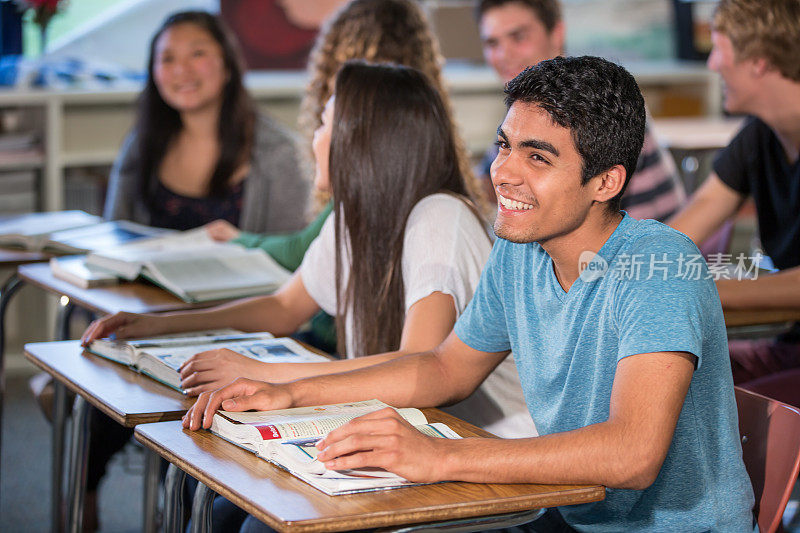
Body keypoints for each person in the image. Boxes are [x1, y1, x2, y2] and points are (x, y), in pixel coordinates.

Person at [184, 56, 755, 532]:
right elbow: (444, 368)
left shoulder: (659, 266)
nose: (503, 172)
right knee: (266, 515)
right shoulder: (520, 249)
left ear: (606, 181)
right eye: (505, 146)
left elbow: (632, 455)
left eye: (538, 157)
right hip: (574, 514)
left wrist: (440, 456)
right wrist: (294, 394)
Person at [204, 0, 489, 353]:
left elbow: (418, 369)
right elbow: (284, 307)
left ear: (360, 132)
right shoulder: (357, 214)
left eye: (326, 123)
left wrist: (274, 381)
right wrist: (154, 325)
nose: (314, 137)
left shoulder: (438, 217)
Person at [669, 0, 800, 386]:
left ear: (758, 59)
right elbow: (699, 213)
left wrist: (698, 291)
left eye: (719, 48)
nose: (712, 64)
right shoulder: (759, 136)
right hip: (789, 346)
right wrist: (618, 264)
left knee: (705, 402)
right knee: (677, 380)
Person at [475, 0, 686, 222]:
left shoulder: (596, 101)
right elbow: (489, 180)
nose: (503, 55)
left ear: (557, 34)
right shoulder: (532, 104)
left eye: (518, 37)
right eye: (492, 43)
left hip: (640, 252)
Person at [104, 11, 309, 233]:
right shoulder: (141, 142)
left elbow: (291, 251)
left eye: (197, 54)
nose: (181, 70)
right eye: (167, 59)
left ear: (228, 64)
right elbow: (116, 234)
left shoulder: (281, 153)